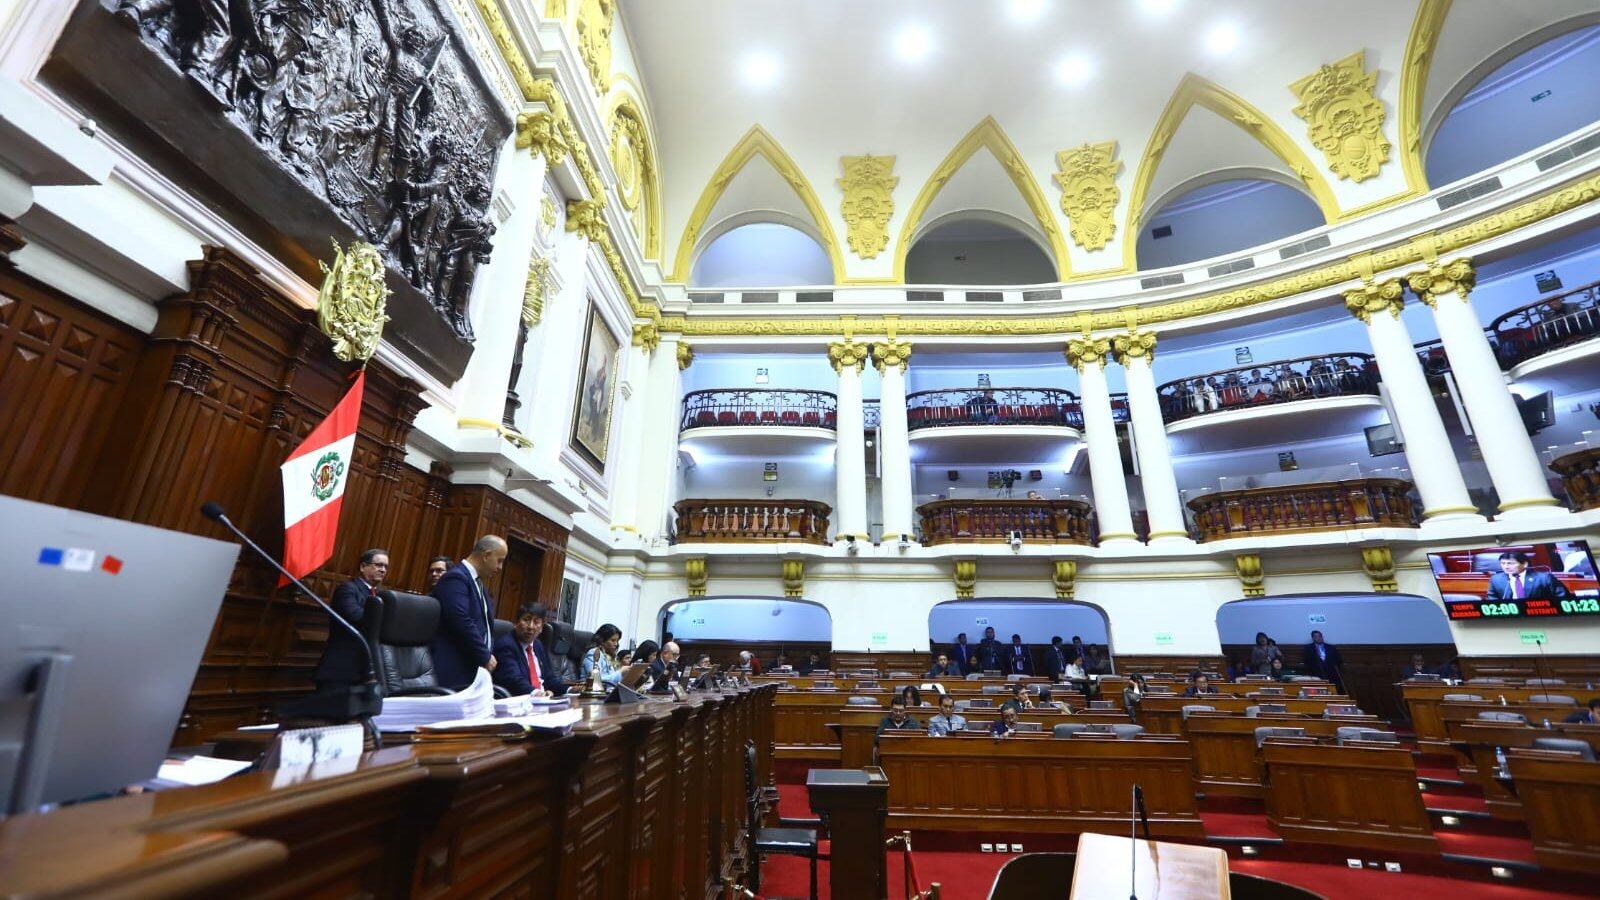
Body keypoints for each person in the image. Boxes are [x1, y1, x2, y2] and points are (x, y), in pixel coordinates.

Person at [430, 536, 506, 690]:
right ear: (486, 555)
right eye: (499, 560)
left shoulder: (478, 583)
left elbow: (484, 625)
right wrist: (484, 655)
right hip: (456, 668)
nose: (500, 567)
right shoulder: (456, 578)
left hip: (475, 668)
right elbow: (460, 620)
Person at [313, 547, 387, 690]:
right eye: (378, 565)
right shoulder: (347, 589)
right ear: (363, 567)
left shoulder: (381, 595)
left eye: (385, 566)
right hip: (341, 668)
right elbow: (356, 617)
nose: (383, 570)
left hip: (364, 669)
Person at [491, 602, 566, 697]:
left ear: (541, 628)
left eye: (536, 622)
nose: (530, 626)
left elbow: (549, 679)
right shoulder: (506, 645)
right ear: (516, 622)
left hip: (542, 699)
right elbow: (513, 679)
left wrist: (570, 690)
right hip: (521, 699)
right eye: (526, 620)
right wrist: (537, 693)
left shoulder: (538, 645)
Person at [1487, 552, 1571, 601]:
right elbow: (1492, 598)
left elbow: (1563, 597)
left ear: (1525, 564)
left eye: (1510, 563)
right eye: (1503, 563)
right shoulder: (1496, 579)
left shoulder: (1544, 578)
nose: (1506, 567)